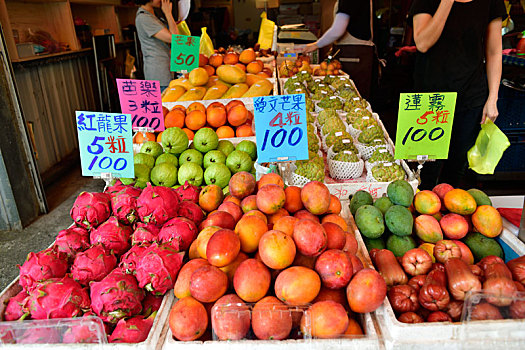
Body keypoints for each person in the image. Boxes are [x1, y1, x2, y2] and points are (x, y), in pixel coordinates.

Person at [410, 0, 506, 189]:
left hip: (471, 96)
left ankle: (449, 216)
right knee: (424, 172)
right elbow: (422, 43)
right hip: (430, 99)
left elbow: (494, 52)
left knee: (456, 170)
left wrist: (493, 97)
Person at [303, 0, 375, 99]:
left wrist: (315, 45)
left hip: (354, 55)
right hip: (356, 54)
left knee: (353, 99)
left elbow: (337, 30)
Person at [136, 0, 179, 90]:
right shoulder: (144, 18)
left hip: (166, 71)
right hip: (159, 75)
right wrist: (168, 13)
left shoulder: (154, 16)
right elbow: (175, 39)